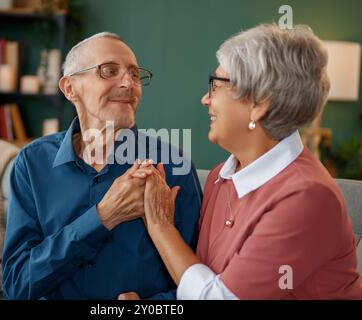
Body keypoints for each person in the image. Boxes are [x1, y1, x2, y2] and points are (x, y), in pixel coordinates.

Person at [120, 24, 362, 300]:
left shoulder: (307, 196)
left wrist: (160, 225)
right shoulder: (220, 178)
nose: (205, 99)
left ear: (260, 103)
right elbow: (200, 279)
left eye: (216, 85)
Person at [1, 32, 202, 300]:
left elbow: (199, 285)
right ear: (70, 88)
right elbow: (17, 285)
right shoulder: (31, 164)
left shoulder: (173, 166)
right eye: (109, 71)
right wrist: (103, 216)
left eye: (134, 74)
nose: (128, 83)